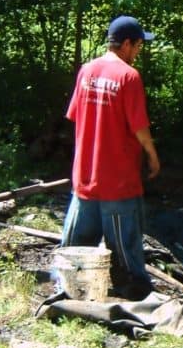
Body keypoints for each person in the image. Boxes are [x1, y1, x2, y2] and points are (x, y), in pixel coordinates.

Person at [61, 15, 161, 300]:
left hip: (85, 176)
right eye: (139, 45)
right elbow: (139, 126)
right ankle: (132, 291)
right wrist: (152, 155)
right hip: (118, 179)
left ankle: (70, 288)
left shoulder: (87, 71)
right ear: (126, 44)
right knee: (125, 249)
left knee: (76, 246)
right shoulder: (129, 77)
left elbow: (75, 115)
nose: (139, 52)